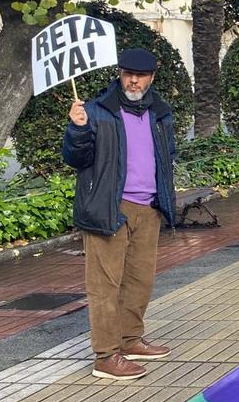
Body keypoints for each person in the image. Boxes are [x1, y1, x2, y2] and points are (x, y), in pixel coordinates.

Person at [64, 48, 178, 380]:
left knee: (140, 281)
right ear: (120, 73)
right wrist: (77, 129)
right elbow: (76, 158)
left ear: (152, 77)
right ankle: (105, 356)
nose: (133, 80)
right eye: (127, 73)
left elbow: (166, 157)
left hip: (149, 208)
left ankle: (130, 340)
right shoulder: (97, 111)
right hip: (109, 208)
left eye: (140, 75)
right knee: (104, 285)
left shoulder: (161, 112)